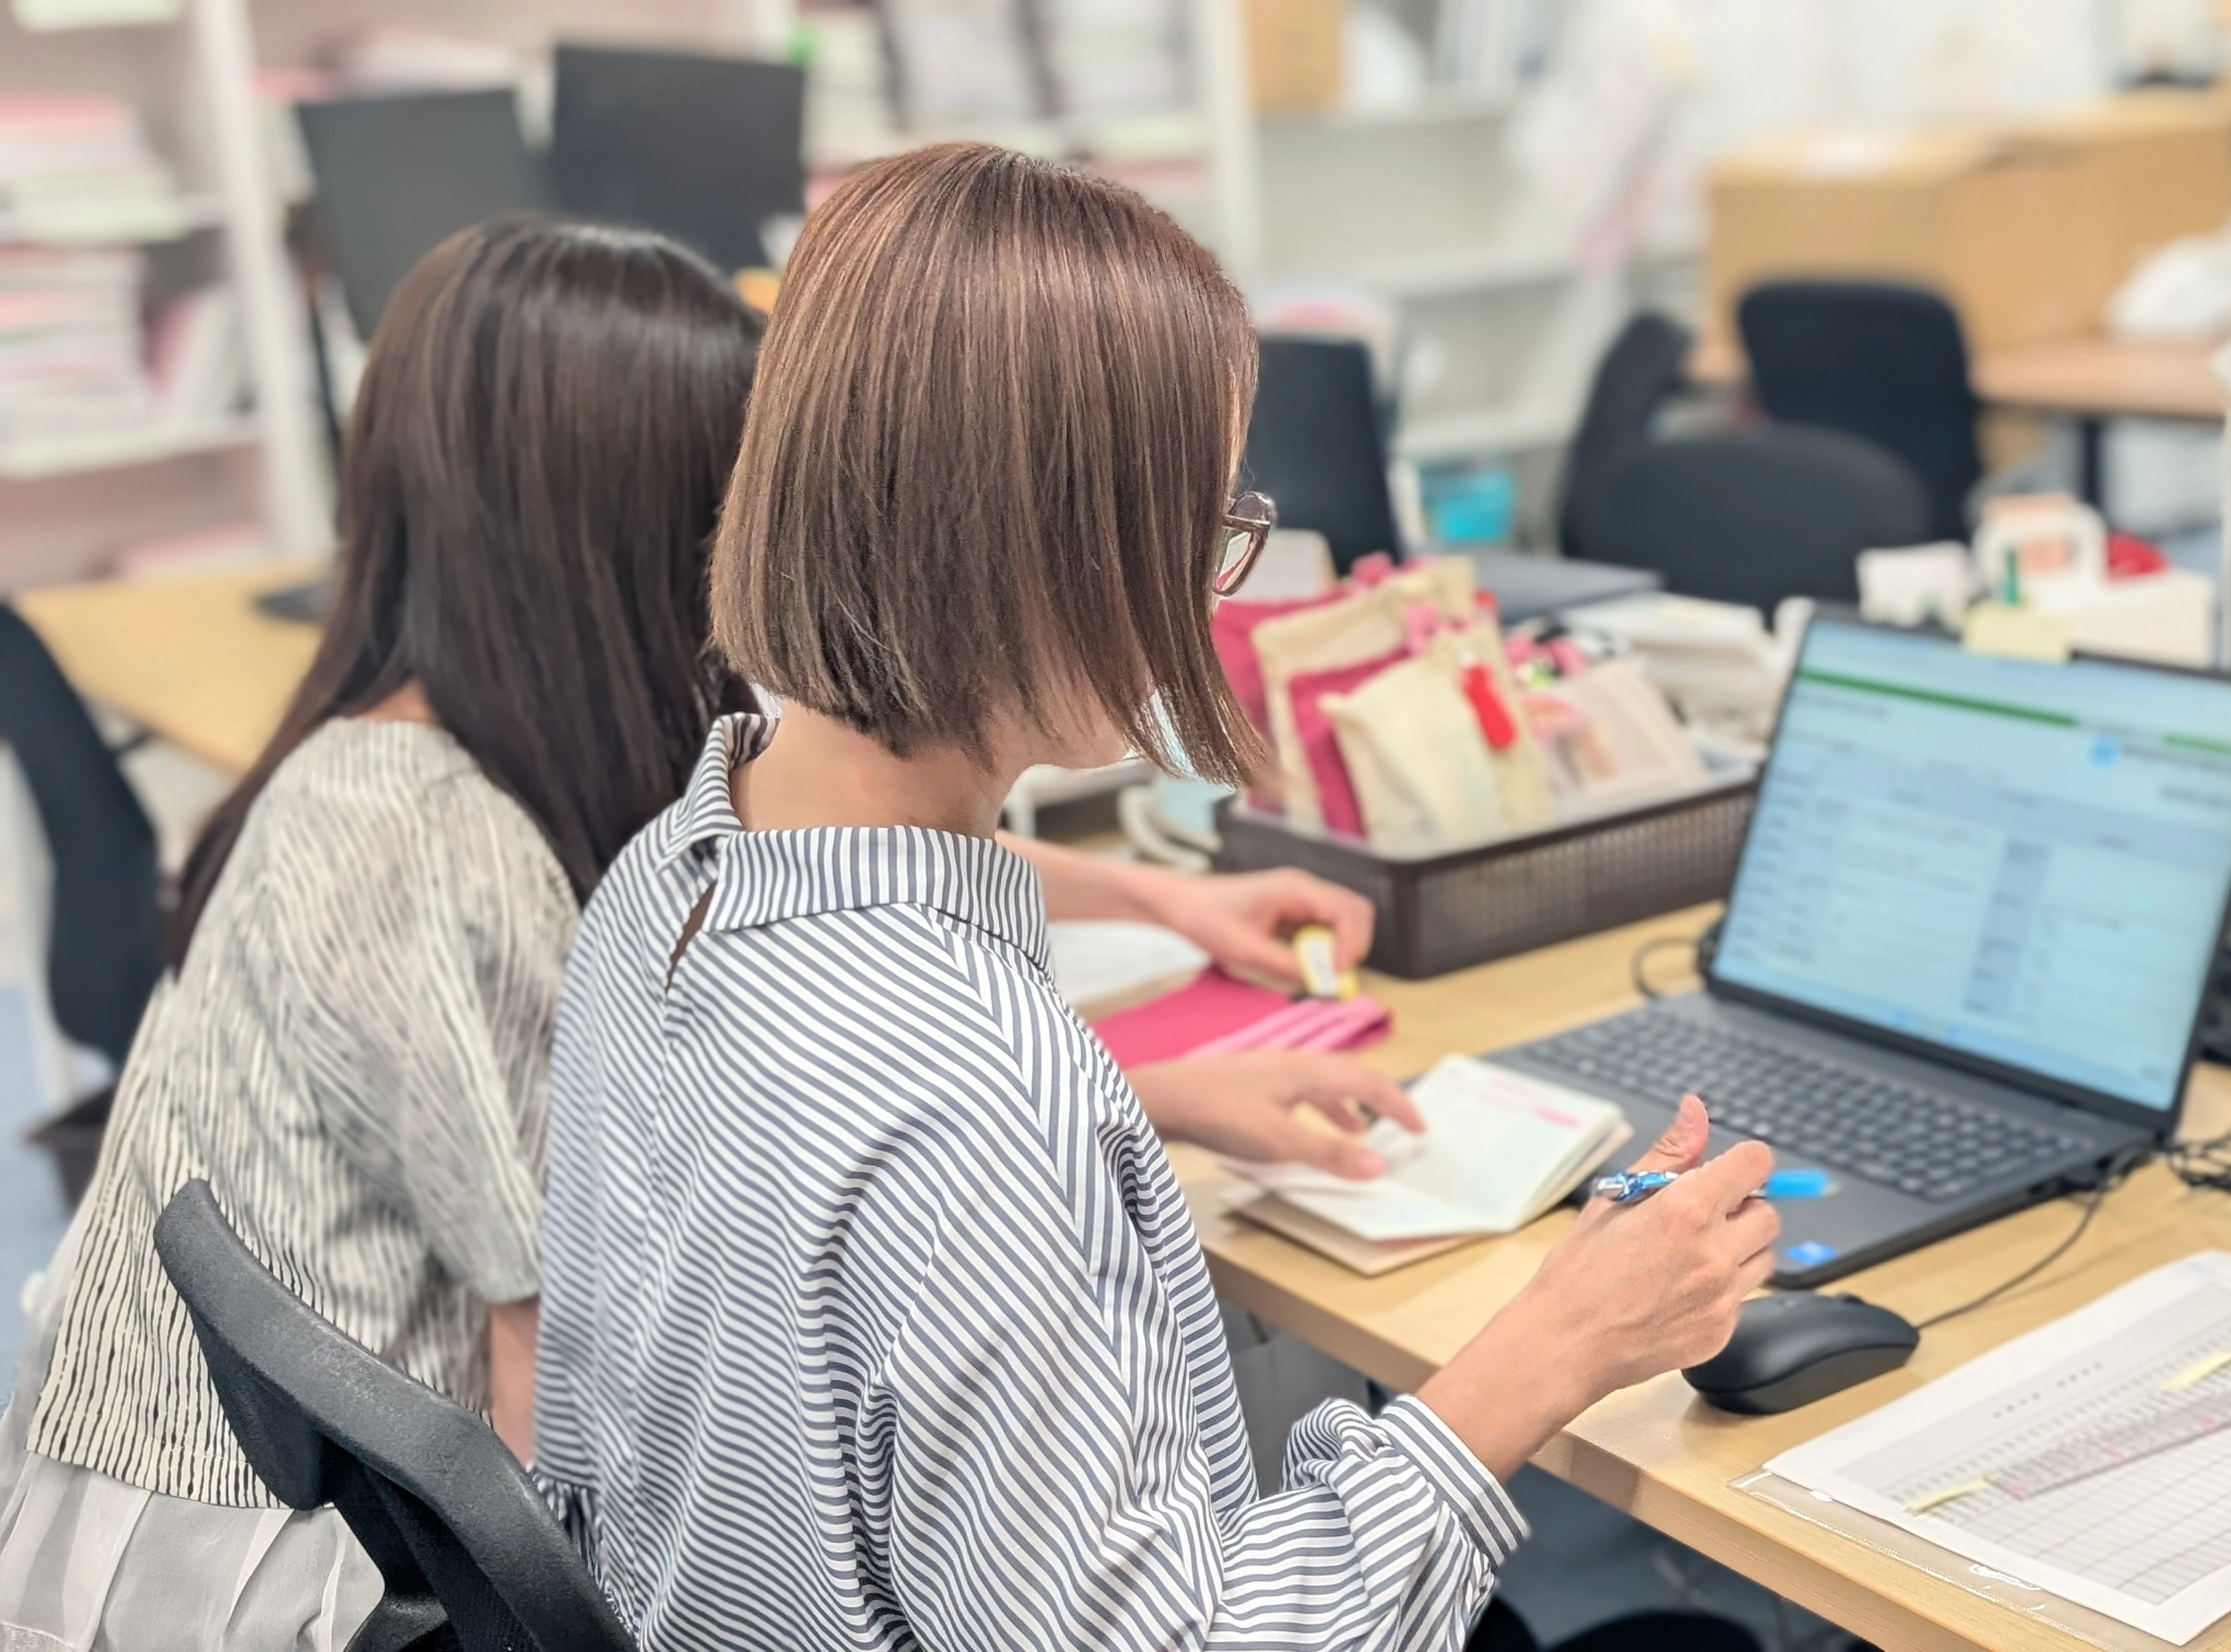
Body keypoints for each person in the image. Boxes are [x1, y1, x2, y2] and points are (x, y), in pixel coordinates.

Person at [0, 216, 1397, 1652]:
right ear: (632, 533)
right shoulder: (446, 848)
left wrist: (1153, 957)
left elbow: (827, 952)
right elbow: (561, 1340)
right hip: (243, 1580)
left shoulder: (588, 817)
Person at [533, 141, 1781, 1650]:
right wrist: (1552, 1351)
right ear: (1037, 553)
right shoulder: (980, 1095)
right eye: (1195, 536)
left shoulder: (669, 876)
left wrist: (1157, 1100)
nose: (1207, 593)